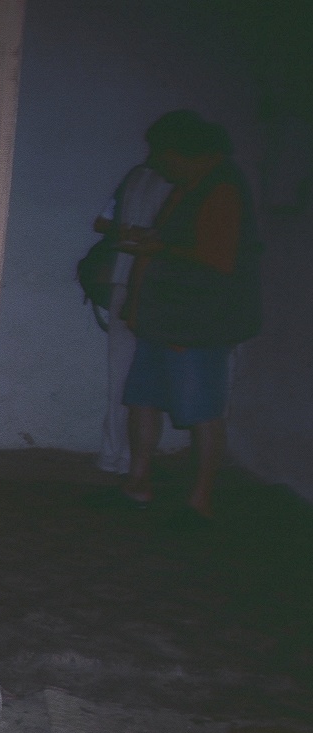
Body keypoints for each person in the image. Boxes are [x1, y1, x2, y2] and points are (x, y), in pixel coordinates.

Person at [117, 111, 261, 520]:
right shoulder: (191, 186)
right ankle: (137, 485)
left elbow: (219, 259)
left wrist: (157, 248)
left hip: (197, 325)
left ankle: (200, 502)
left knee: (202, 411)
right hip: (164, 319)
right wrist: (153, 241)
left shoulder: (222, 188)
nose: (156, 163)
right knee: (142, 399)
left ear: (187, 152)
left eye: (163, 154)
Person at [91, 159, 173, 473]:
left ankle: (126, 459)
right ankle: (117, 456)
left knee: (136, 380)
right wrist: (131, 233)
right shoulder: (139, 176)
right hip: (130, 282)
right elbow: (103, 222)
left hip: (153, 286)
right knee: (125, 378)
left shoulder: (165, 179)